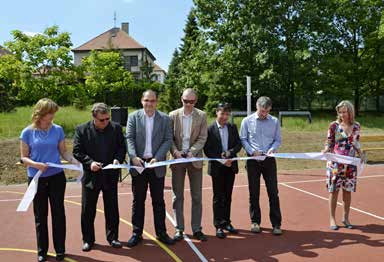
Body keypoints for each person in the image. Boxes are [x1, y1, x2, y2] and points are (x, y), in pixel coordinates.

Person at [20, 98, 79, 262]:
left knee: (58, 213)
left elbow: (64, 152)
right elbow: (24, 158)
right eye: (50, 112)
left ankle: (60, 249)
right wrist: (36, 164)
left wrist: (75, 162)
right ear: (42, 113)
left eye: (53, 112)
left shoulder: (58, 130)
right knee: (40, 215)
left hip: (56, 178)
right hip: (36, 178)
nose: (53, 116)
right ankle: (42, 251)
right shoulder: (27, 132)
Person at [73, 103, 126, 252]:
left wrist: (118, 159)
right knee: (87, 210)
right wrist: (90, 163)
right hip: (91, 176)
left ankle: (113, 237)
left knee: (112, 209)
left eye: (107, 118)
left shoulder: (115, 128)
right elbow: (77, 151)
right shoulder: (81, 130)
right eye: (102, 120)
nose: (105, 122)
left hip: (110, 175)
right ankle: (88, 240)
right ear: (94, 117)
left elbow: (122, 147)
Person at [126, 90, 175, 247]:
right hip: (138, 164)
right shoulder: (133, 117)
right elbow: (129, 138)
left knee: (158, 201)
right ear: (142, 101)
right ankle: (136, 233)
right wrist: (133, 157)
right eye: (147, 100)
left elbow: (168, 140)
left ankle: (161, 233)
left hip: (156, 165)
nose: (149, 103)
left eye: (152, 101)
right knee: (138, 201)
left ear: (157, 102)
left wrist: (158, 157)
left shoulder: (165, 119)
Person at [240, 96, 283, 235]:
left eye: (266, 111)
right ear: (256, 106)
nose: (263, 113)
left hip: (269, 160)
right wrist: (252, 151)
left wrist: (272, 149)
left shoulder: (275, 121)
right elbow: (243, 139)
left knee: (273, 192)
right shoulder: (247, 121)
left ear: (270, 109)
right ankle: (255, 222)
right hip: (253, 161)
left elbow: (277, 140)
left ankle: (276, 224)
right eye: (261, 110)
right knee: (254, 192)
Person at [169, 88, 208, 242]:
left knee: (197, 196)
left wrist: (192, 151)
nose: (188, 104)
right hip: (178, 160)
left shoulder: (202, 116)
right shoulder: (172, 115)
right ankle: (179, 229)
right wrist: (175, 152)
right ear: (181, 99)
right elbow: (169, 138)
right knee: (177, 197)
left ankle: (197, 229)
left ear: (195, 101)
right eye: (186, 101)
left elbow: (203, 137)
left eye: (191, 102)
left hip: (195, 160)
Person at [322, 100, 363, 230]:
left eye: (345, 112)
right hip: (335, 164)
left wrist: (360, 153)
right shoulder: (334, 126)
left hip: (350, 165)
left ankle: (346, 218)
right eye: (340, 112)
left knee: (347, 192)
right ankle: (332, 219)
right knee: (333, 191)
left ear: (350, 112)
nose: (342, 114)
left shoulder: (356, 126)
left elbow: (356, 143)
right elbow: (329, 142)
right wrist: (326, 149)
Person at [203, 103, 242, 238]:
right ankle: (218, 225)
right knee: (218, 197)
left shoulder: (232, 127)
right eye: (222, 114)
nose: (225, 117)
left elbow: (238, 144)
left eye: (227, 114)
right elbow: (207, 150)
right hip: (217, 168)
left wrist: (230, 154)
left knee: (228, 196)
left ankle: (227, 222)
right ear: (217, 113)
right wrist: (221, 159)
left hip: (230, 166)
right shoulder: (209, 129)